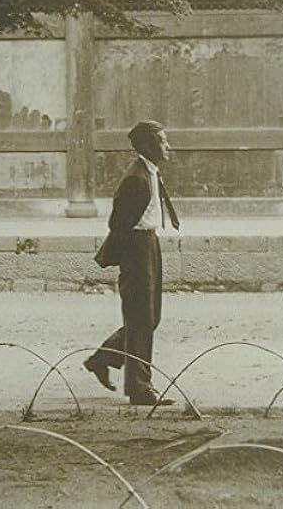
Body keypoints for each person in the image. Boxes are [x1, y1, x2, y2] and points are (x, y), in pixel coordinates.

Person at [84, 120, 180, 406]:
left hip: (149, 244)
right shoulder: (136, 179)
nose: (168, 146)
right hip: (137, 248)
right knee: (140, 319)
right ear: (148, 146)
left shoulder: (149, 172)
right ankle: (139, 388)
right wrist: (128, 260)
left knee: (150, 317)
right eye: (162, 141)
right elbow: (118, 224)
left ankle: (102, 359)